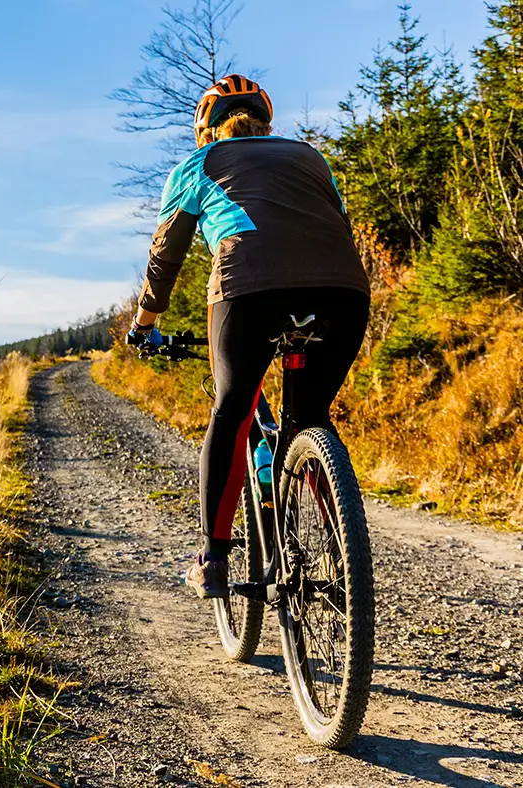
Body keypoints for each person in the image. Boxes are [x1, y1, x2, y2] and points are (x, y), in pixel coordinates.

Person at [125, 74, 370, 598]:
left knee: (232, 408)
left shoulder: (197, 165)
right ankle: (343, 548)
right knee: (310, 419)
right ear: (264, 120)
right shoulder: (310, 156)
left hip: (250, 291)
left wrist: (145, 323)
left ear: (205, 128)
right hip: (343, 291)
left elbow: (164, 258)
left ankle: (213, 560)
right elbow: (338, 223)